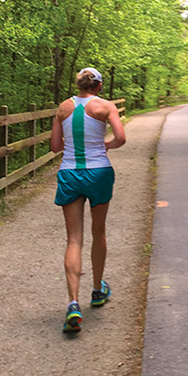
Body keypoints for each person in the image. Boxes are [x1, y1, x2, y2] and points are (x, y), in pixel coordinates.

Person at [50, 67, 126, 333]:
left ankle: (72, 303)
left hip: (69, 172)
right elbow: (121, 138)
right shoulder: (106, 107)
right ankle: (97, 289)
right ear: (100, 86)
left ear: (79, 84)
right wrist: (104, 146)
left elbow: (55, 146)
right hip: (99, 172)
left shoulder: (62, 108)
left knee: (73, 239)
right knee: (98, 231)